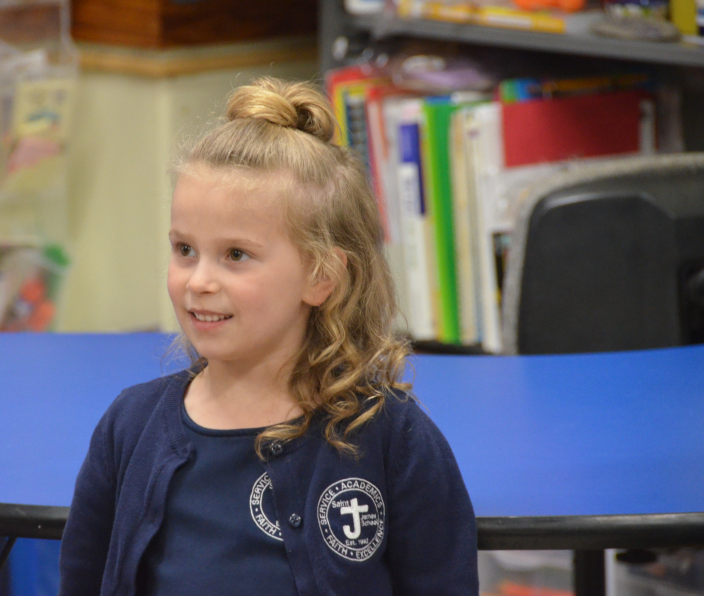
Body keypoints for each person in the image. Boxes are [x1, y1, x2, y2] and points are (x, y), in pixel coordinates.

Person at [59, 77, 478, 596]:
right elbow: (82, 578)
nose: (199, 281)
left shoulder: (393, 440)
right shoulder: (129, 427)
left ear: (322, 277)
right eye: (185, 249)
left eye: (236, 255)